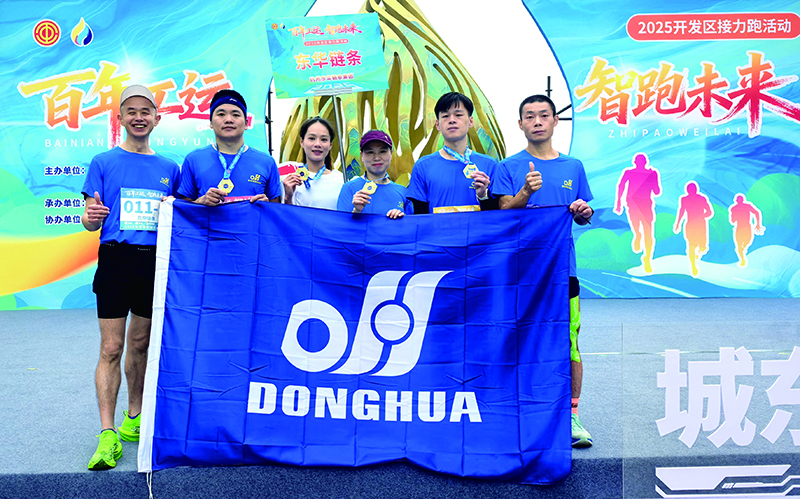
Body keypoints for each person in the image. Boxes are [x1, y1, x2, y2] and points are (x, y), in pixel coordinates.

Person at [81, 84, 180, 470]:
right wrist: (90, 218)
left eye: (146, 111)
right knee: (111, 347)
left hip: (154, 263)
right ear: (120, 118)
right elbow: (91, 219)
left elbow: (181, 217)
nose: (139, 117)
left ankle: (133, 418)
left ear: (157, 118)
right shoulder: (103, 162)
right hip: (116, 260)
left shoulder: (170, 169)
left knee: (140, 344)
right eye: (131, 111)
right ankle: (107, 434)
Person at [493, 94, 594, 448]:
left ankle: (571, 415)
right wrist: (525, 191)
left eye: (543, 115)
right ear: (520, 124)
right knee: (518, 340)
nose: (537, 121)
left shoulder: (573, 167)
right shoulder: (508, 167)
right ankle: (517, 412)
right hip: (520, 273)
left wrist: (583, 212)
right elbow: (502, 215)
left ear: (554, 121)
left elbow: (582, 214)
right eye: (530, 116)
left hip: (563, 272)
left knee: (569, 342)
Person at [178, 89, 280, 205]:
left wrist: (266, 206)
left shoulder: (266, 162)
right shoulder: (193, 160)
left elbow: (277, 210)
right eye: (221, 114)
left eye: (236, 115)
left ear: (246, 124)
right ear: (210, 123)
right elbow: (182, 209)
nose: (228, 120)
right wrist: (200, 202)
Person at [407, 92, 496, 214]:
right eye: (445, 116)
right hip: (438, 228)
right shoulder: (423, 166)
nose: (452, 120)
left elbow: (498, 215)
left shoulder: (489, 164)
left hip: (479, 228)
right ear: (438, 124)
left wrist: (483, 196)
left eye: (458, 115)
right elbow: (419, 216)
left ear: (471, 121)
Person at [337, 130, 411, 219]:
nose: (377, 158)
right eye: (370, 152)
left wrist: (401, 219)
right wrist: (357, 211)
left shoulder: (403, 192)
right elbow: (340, 224)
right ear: (362, 156)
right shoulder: (349, 188)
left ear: (391, 154)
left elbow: (412, 225)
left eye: (382, 151)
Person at [613, 152, 662, 273]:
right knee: (642, 231)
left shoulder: (651, 173)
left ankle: (647, 259)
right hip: (634, 205)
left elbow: (656, 191)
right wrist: (618, 203)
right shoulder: (629, 172)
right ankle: (638, 236)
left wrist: (652, 178)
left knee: (648, 233)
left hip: (644, 206)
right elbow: (621, 186)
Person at [282, 116, 344, 210]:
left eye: (324, 139)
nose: (317, 144)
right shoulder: (291, 180)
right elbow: (287, 216)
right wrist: (288, 198)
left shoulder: (341, 180)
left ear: (330, 145)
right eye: (312, 138)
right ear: (302, 142)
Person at [673, 181, 714, 276]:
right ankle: (693, 266)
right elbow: (682, 211)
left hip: (700, 225)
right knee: (691, 246)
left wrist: (701, 216)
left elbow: (709, 212)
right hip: (690, 225)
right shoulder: (684, 199)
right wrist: (678, 224)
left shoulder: (702, 198)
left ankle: (697, 256)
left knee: (703, 247)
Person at [728, 194, 765, 267]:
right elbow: (732, 221)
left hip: (747, 227)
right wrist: (736, 215)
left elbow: (757, 213)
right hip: (739, 227)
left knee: (748, 241)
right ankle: (742, 259)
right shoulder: (734, 208)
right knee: (739, 245)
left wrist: (758, 224)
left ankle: (744, 248)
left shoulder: (747, 206)